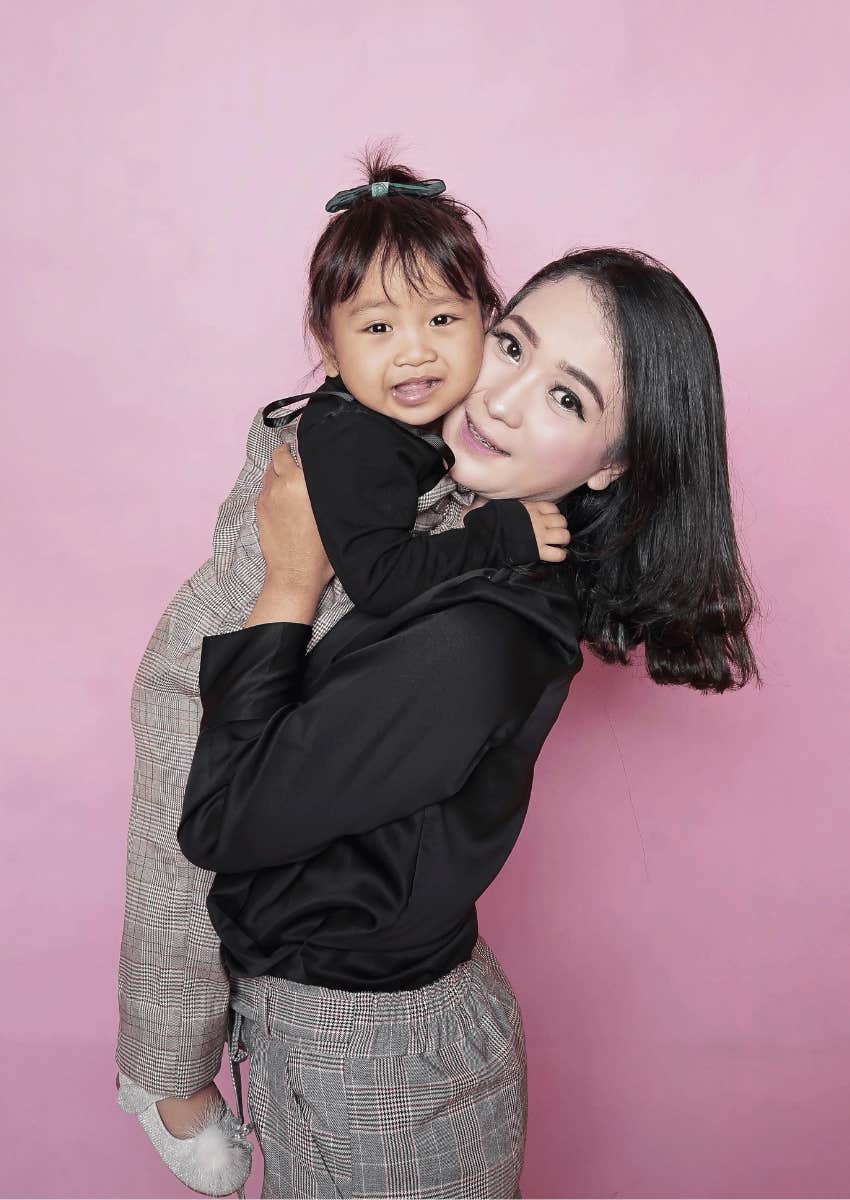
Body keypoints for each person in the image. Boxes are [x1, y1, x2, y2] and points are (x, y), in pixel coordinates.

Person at [174, 246, 760, 1199]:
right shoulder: (455, 544)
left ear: (612, 465)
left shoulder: (475, 637)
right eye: (513, 344)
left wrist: (289, 580)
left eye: (568, 399)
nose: (500, 400)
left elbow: (220, 823)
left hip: (377, 1062)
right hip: (366, 1032)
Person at [114, 151, 570, 1198]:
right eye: (375, 329)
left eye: (443, 322)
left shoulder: (438, 426)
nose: (413, 352)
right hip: (213, 664)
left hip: (304, 676)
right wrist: (499, 536)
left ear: (486, 324)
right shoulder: (347, 439)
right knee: (185, 868)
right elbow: (380, 573)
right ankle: (164, 1076)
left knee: (243, 847)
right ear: (327, 345)